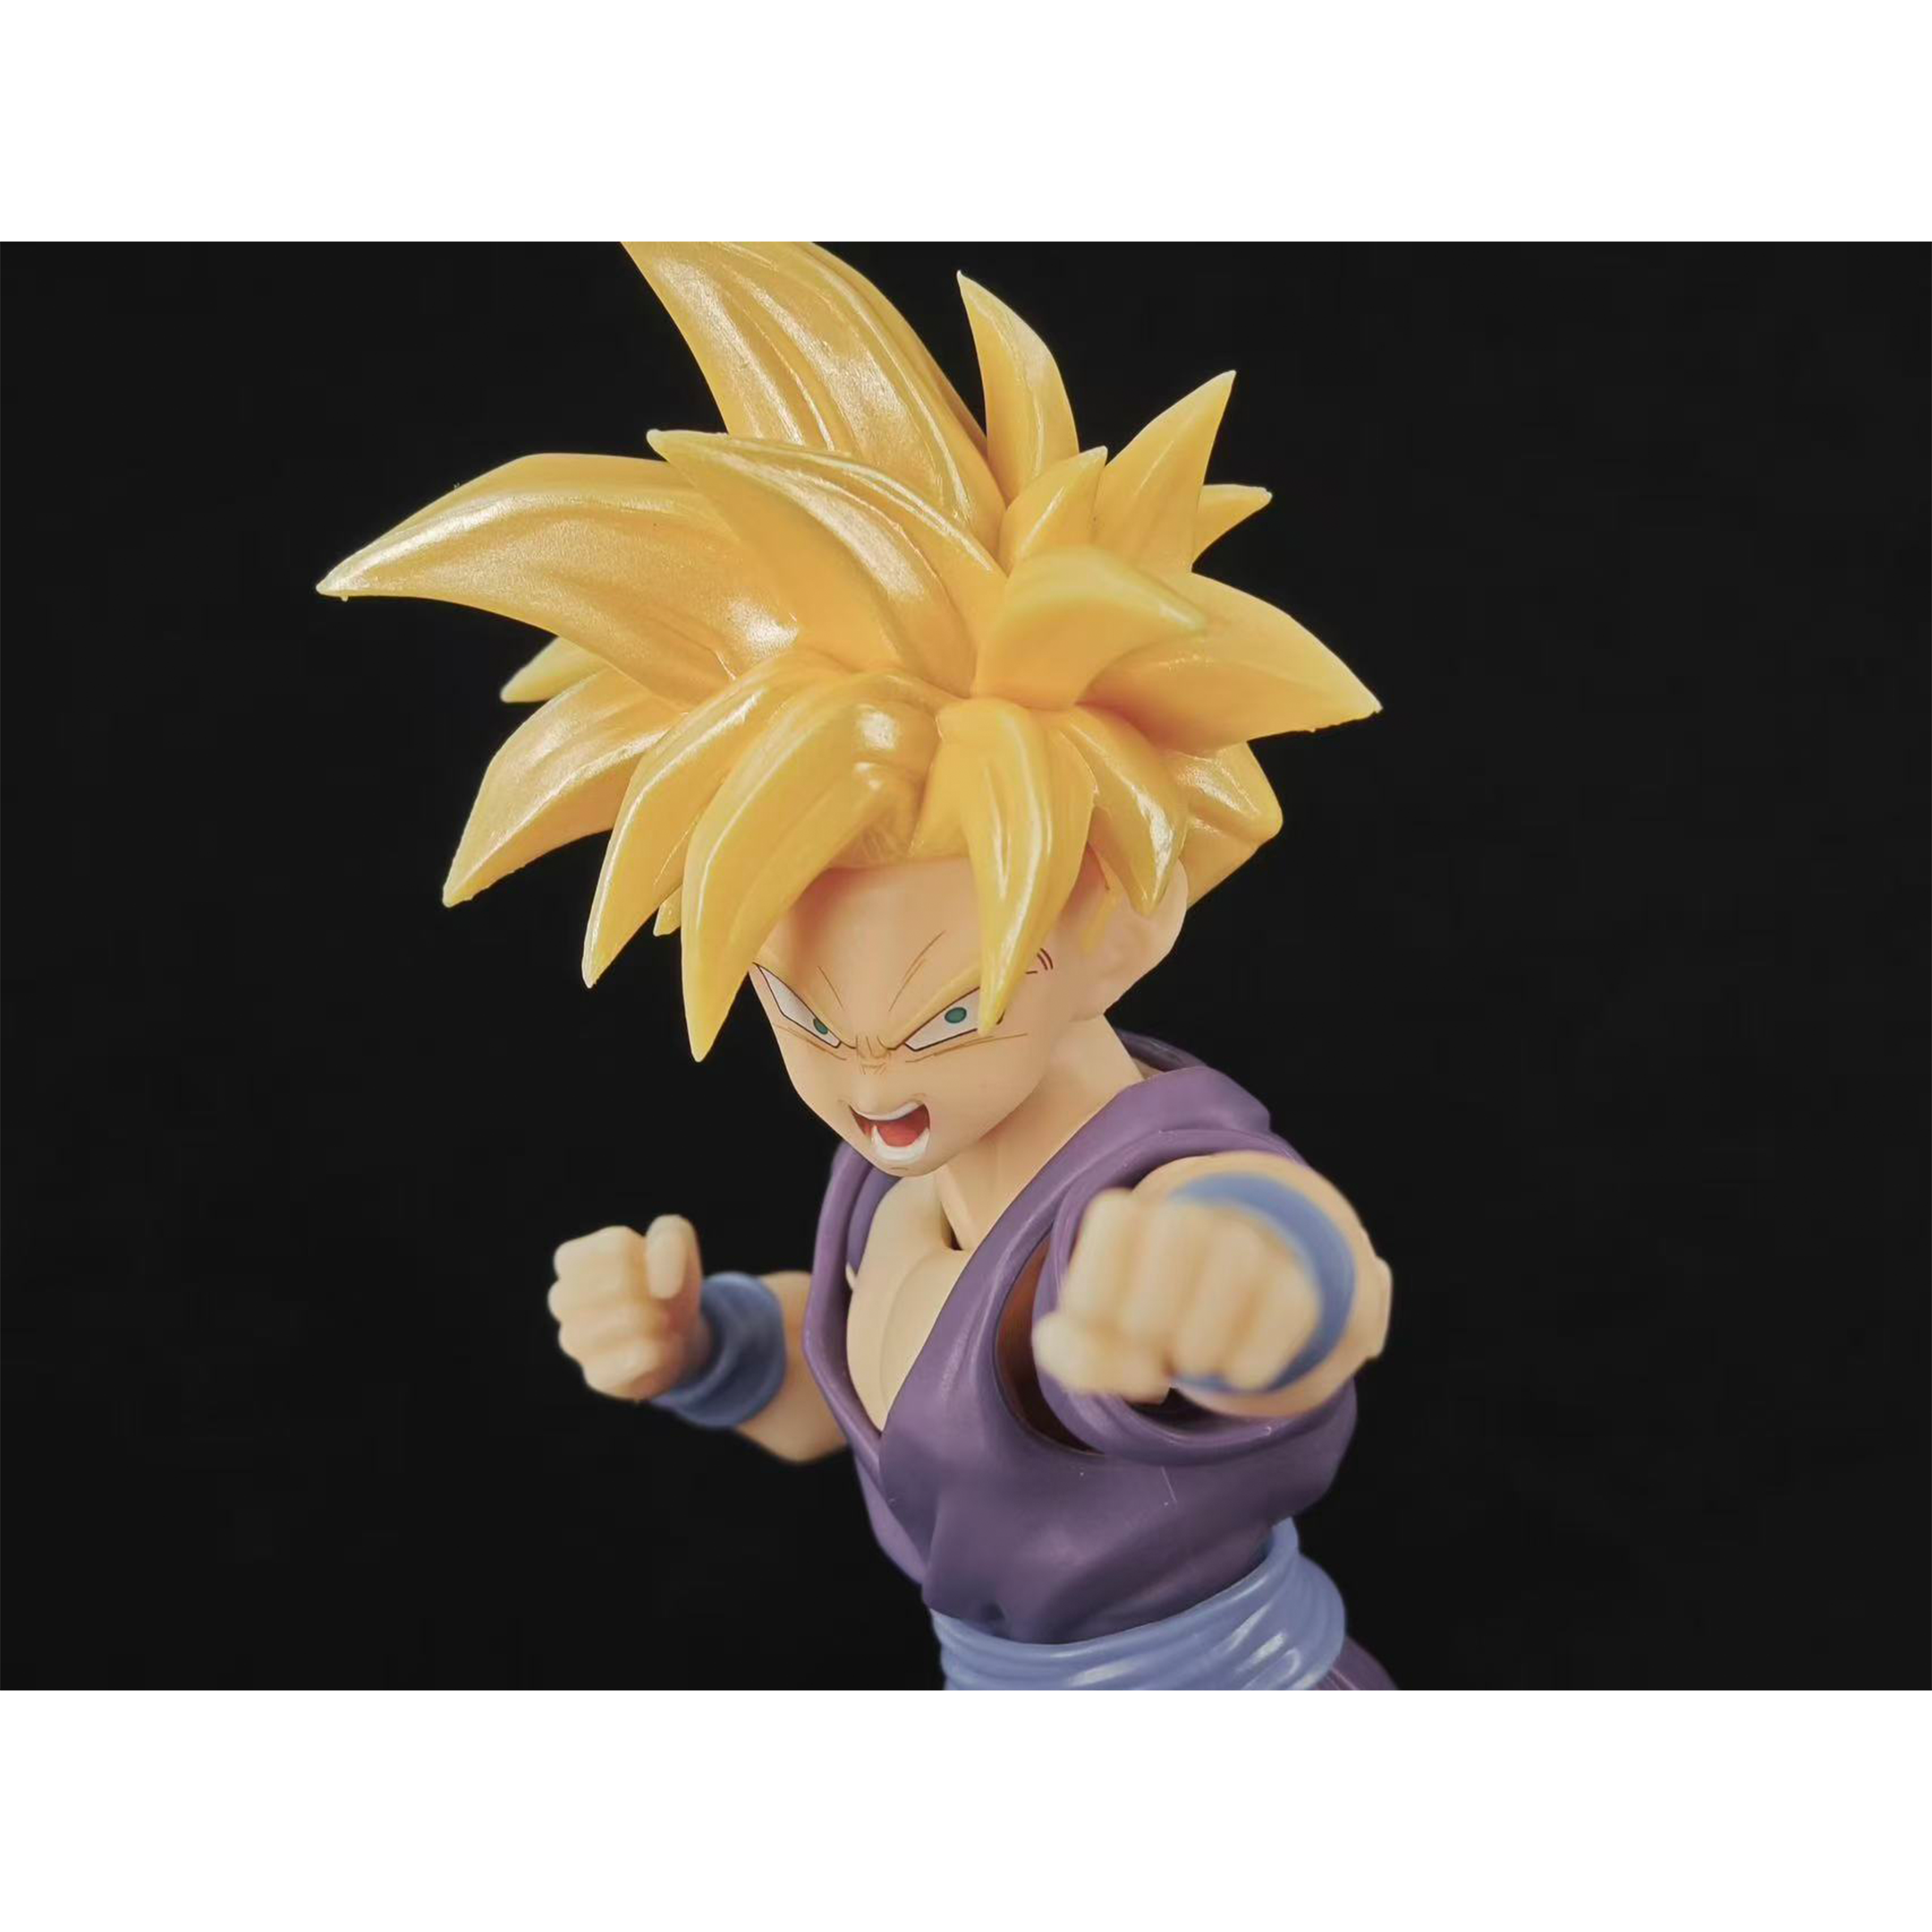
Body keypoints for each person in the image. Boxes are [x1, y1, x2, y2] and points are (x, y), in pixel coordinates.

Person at [321, 243, 1394, 1688]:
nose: (872, 1077)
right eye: (803, 1013)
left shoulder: (1158, 1190)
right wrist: (707, 1345)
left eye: (947, 1012)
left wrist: (1258, 1289)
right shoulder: (900, 1179)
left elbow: (1282, 1263)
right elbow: (855, 1384)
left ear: (1117, 921)